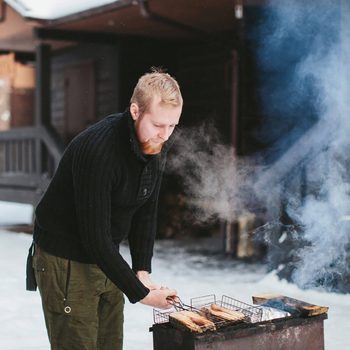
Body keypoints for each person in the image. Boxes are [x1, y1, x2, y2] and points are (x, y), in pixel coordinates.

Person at [26, 68, 183, 350]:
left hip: (106, 256)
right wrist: (142, 294)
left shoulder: (155, 143)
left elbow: (146, 209)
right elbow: (94, 235)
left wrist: (142, 270)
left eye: (172, 126)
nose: (165, 134)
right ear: (135, 111)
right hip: (66, 260)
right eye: (159, 124)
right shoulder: (99, 150)